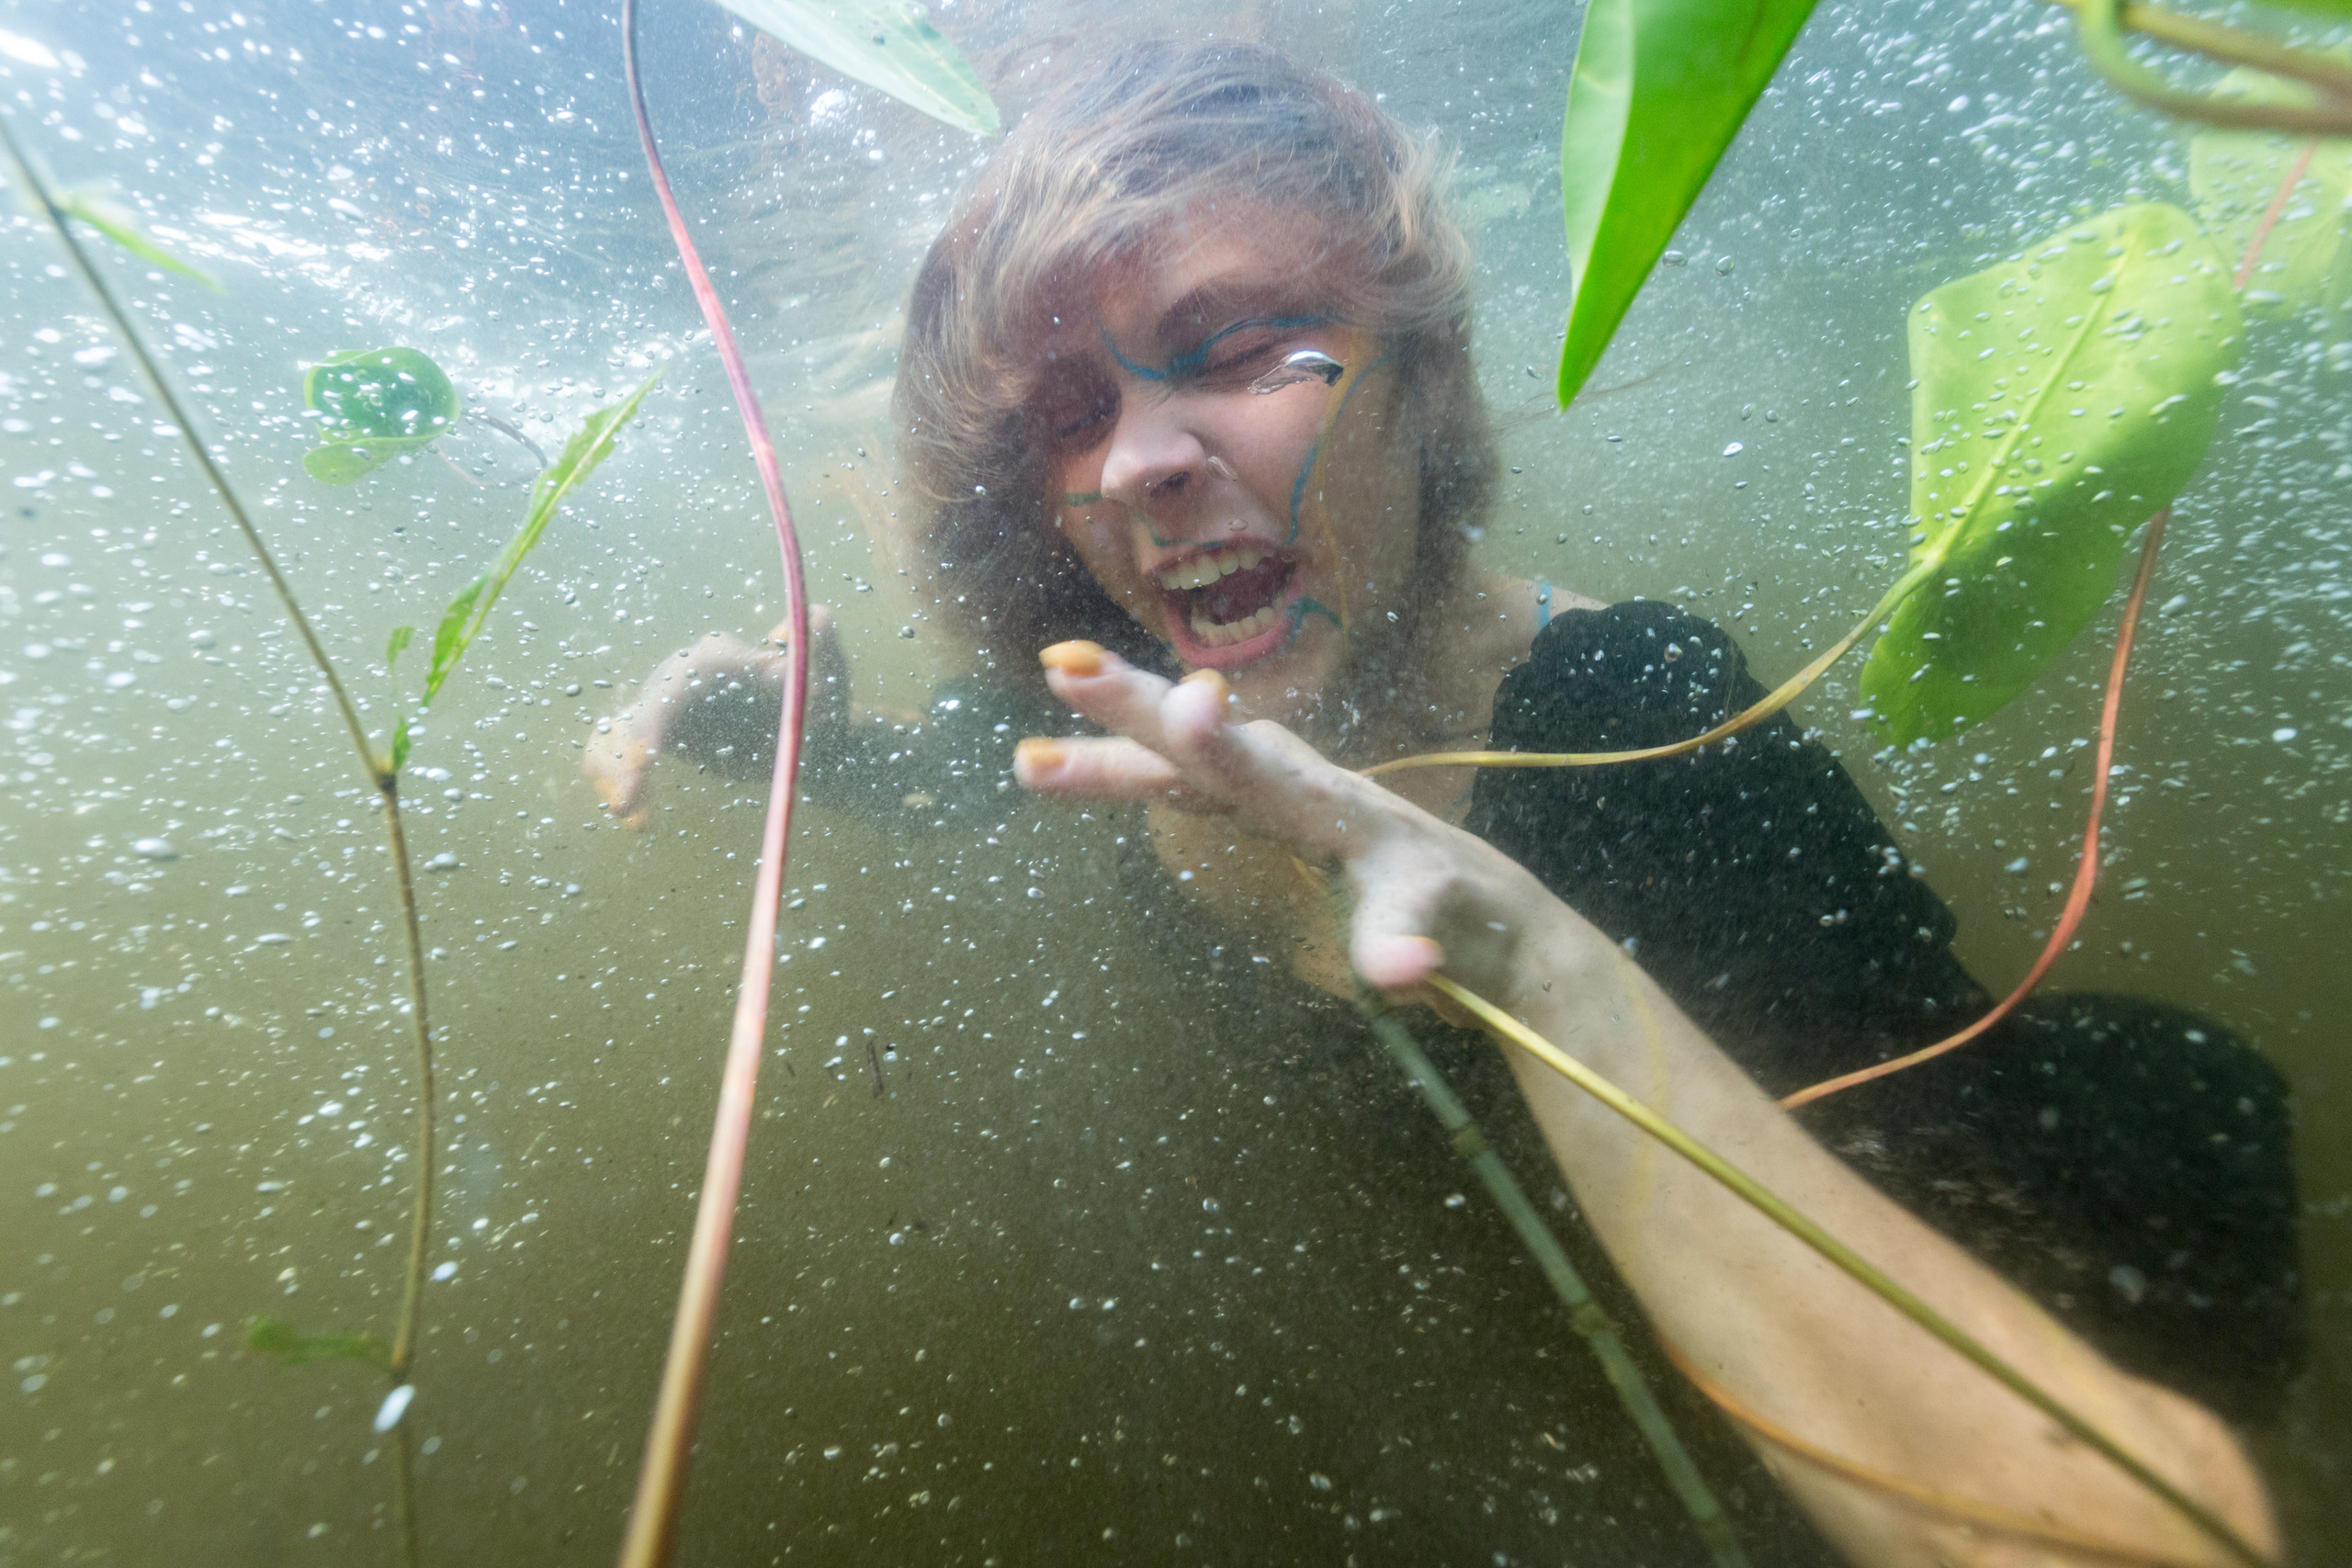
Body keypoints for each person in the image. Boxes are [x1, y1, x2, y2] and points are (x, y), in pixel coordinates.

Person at [585, 41, 2300, 1566]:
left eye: (1235, 346)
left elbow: (2108, 1508)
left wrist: (1534, 947)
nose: (1139, 461)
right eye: (1069, 413)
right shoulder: (1112, 694)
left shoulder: (1645, 718)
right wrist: (772, 724)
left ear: (1425, 374)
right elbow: (959, 779)